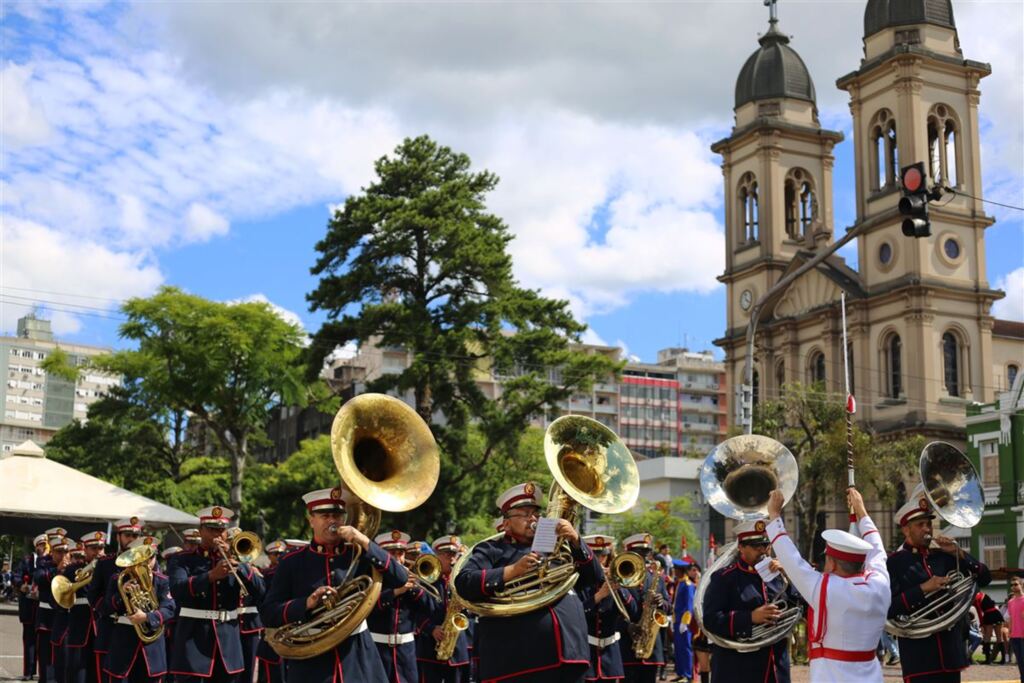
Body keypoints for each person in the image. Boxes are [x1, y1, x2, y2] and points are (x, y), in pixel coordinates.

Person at [453, 481, 603, 683]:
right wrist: (512, 571)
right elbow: (464, 582)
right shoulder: (492, 549)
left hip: (571, 653)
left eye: (536, 514)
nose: (533, 519)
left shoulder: (556, 545)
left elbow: (594, 579)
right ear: (506, 522)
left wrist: (576, 541)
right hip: (520, 661)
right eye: (524, 514)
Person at [259, 486, 409, 682]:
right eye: (325, 515)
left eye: (337, 515)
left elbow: (400, 578)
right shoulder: (292, 561)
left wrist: (365, 541)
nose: (332, 521)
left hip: (358, 655)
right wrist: (306, 603)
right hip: (312, 660)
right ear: (311, 519)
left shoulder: (359, 554)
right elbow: (269, 613)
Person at [766, 487, 890, 682]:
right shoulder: (880, 584)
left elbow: (791, 560)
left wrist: (774, 515)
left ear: (832, 563)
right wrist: (862, 513)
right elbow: (878, 552)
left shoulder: (826, 588)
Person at [887, 484, 990, 682]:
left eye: (928, 524)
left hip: (951, 656)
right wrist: (923, 588)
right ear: (906, 529)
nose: (927, 529)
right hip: (920, 660)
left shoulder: (943, 556)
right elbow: (889, 608)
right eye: (920, 525)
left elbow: (984, 578)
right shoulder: (894, 562)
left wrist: (959, 554)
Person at [168, 505, 265, 683]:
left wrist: (241, 564)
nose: (217, 535)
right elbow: (177, 590)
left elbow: (260, 591)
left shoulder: (235, 559)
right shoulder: (182, 559)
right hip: (193, 640)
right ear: (200, 531)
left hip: (229, 643)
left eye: (221, 530)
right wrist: (211, 576)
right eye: (212, 530)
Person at [700, 517, 796, 683]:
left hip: (775, 666)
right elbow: (710, 620)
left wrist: (789, 575)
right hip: (738, 669)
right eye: (755, 546)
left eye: (766, 545)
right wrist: (750, 617)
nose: (763, 550)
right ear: (741, 547)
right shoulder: (724, 578)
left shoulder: (778, 575)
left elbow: (798, 606)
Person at [102, 536, 176, 683]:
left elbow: (169, 609)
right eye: (140, 559)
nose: (145, 563)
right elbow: (106, 609)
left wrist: (147, 617)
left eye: (149, 558)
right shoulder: (118, 579)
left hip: (152, 646)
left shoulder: (162, 580)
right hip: (123, 643)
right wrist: (121, 594)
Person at [368, 530, 437, 683]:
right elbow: (368, 608)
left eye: (401, 553)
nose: (398, 559)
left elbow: (430, 608)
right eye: (392, 553)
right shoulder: (373, 579)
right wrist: (396, 591)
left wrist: (414, 589)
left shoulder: (413, 579)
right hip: (378, 648)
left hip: (406, 652)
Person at [89, 518, 142, 683]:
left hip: (138, 631)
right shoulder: (105, 563)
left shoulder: (147, 562)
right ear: (118, 537)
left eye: (136, 535)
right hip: (110, 629)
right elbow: (93, 596)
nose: (132, 539)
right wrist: (107, 608)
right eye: (127, 535)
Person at [579, 534, 635, 683]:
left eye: (603, 556)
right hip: (587, 654)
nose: (600, 560)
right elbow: (577, 614)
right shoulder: (580, 582)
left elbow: (633, 612)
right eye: (595, 556)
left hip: (610, 656)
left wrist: (619, 586)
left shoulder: (616, 581)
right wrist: (599, 596)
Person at [415, 535, 471, 683]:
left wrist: (465, 606)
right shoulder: (426, 582)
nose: (452, 559)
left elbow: (471, 610)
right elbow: (414, 611)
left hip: (457, 649)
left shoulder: (461, 581)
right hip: (429, 649)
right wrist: (431, 628)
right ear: (436, 557)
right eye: (447, 555)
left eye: (454, 554)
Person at [618, 533, 670, 683]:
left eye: (647, 552)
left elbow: (669, 607)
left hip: (650, 648)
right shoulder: (620, 577)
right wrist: (626, 626)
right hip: (627, 644)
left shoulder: (656, 578)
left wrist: (662, 603)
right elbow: (612, 609)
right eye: (641, 553)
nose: (645, 557)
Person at [64, 532, 105, 683]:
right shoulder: (73, 570)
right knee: (77, 670)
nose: (98, 551)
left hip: (100, 626)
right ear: (85, 549)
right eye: (93, 548)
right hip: (79, 623)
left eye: (101, 547)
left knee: (98, 671)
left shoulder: (110, 568)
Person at [34, 530, 67, 683]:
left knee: (62, 656)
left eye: (66, 551)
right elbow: (39, 578)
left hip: (63, 617)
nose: (63, 555)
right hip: (46, 617)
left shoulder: (71, 564)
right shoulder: (44, 562)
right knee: (46, 655)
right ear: (52, 550)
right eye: (59, 551)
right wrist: (57, 571)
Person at [14, 533, 49, 681]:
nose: (44, 548)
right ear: (37, 546)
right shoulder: (27, 560)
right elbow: (16, 575)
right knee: (29, 639)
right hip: (29, 604)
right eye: (41, 545)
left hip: (43, 605)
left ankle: (44, 672)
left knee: (43, 641)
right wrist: (21, 585)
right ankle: (28, 671)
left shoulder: (49, 561)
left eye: (46, 545)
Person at [255, 540, 287, 683]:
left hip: (288, 626)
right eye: (276, 554)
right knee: (270, 674)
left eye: (281, 553)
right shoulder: (267, 573)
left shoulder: (273, 573)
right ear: (269, 556)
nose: (279, 556)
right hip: (273, 628)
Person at [671, 559, 693, 683]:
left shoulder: (688, 585)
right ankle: (680, 673)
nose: (674, 572)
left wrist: (685, 622)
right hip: (677, 620)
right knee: (678, 648)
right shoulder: (679, 583)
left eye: (676, 570)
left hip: (684, 622)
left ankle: (687, 674)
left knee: (685, 648)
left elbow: (689, 605)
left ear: (681, 571)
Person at [972, 590, 1006, 664]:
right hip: (996, 613)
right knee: (1000, 638)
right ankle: (1003, 660)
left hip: (988, 615)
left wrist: (982, 625)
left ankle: (988, 660)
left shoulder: (975, 598)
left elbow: (979, 612)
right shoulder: (983, 594)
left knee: (987, 637)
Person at [1006, 576, 1024, 679]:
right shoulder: (1010, 602)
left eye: (1016, 584)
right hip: (1014, 636)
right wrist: (1010, 632)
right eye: (1012, 585)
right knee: (1020, 663)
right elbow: (1011, 618)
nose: (1013, 586)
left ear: (1021, 585)